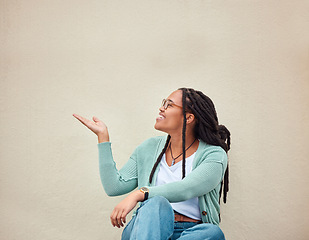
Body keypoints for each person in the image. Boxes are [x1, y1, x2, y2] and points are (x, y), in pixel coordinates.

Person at [73, 87, 231, 240]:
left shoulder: (214, 155)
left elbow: (187, 188)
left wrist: (141, 193)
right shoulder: (148, 148)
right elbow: (114, 186)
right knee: (157, 203)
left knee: (212, 232)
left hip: (190, 232)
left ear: (189, 118)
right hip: (146, 228)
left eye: (169, 105)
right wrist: (103, 138)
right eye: (163, 103)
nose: (161, 108)